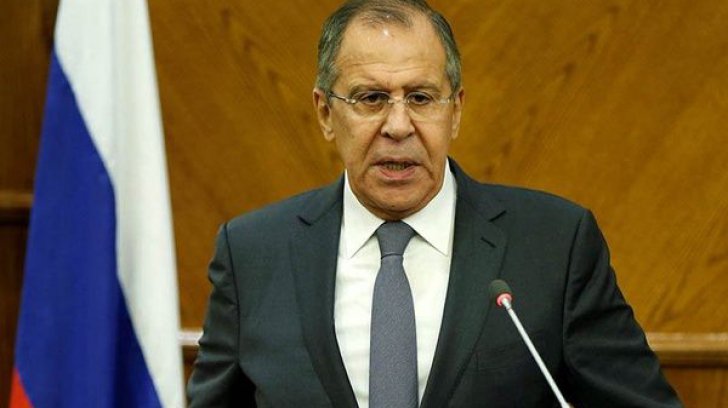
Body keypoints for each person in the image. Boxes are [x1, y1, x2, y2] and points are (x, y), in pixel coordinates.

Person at [187, 0, 682, 406]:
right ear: (325, 113)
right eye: (371, 98)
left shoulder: (555, 244)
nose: (398, 126)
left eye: (421, 98)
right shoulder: (252, 253)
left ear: (456, 111)